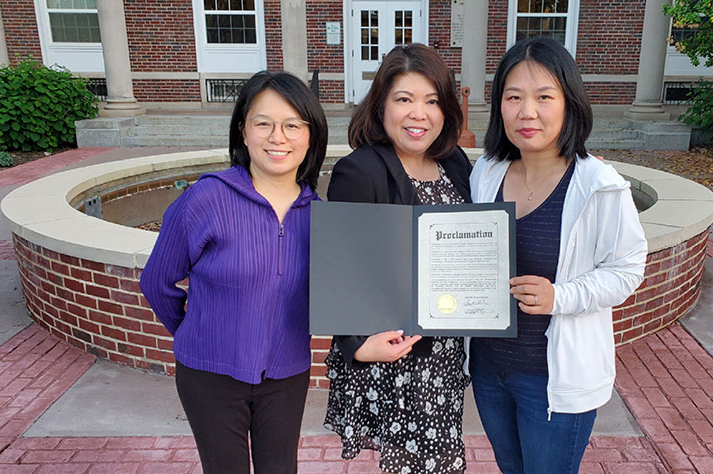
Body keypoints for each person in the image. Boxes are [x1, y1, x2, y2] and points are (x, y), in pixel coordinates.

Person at [468, 37, 648, 474]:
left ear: (569, 103)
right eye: (513, 97)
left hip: (554, 378)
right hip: (490, 371)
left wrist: (559, 297)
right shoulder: (486, 172)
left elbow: (627, 269)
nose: (527, 111)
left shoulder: (598, 184)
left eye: (544, 96)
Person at [139, 71, 328, 474]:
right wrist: (198, 331)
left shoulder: (321, 215)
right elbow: (157, 282)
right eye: (264, 123)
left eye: (293, 125)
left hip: (286, 374)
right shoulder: (205, 199)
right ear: (243, 131)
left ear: (311, 136)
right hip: (210, 376)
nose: (278, 137)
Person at [323, 43, 472, 474]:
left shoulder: (454, 163)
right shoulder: (361, 170)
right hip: (397, 354)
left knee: (443, 459)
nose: (417, 114)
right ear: (381, 105)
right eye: (404, 99)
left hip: (446, 352)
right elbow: (341, 268)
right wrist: (355, 344)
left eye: (431, 101)